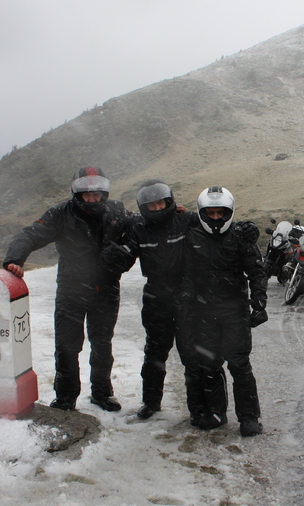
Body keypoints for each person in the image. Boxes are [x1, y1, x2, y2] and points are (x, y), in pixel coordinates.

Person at [103, 179, 259, 422]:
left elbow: (216, 222)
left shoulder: (187, 220)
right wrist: (112, 243)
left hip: (190, 297)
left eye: (161, 203)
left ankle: (199, 410)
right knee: (155, 353)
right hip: (156, 298)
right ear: (144, 207)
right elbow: (121, 262)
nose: (157, 208)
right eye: (151, 205)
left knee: (193, 356)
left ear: (169, 201)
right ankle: (151, 402)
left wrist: (248, 228)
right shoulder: (139, 229)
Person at [3, 166, 134, 412]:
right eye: (87, 194)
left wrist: (176, 216)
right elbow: (31, 234)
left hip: (106, 289)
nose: (92, 199)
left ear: (104, 192)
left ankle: (102, 393)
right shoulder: (60, 214)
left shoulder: (116, 210)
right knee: (66, 346)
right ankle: (65, 397)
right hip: (71, 290)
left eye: (96, 194)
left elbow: (144, 224)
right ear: (77, 193)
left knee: (102, 344)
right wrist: (15, 259)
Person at [178, 186, 268, 437]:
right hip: (203, 311)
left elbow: (256, 271)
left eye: (221, 213)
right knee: (209, 364)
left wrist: (259, 303)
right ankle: (217, 413)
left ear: (230, 212)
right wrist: (185, 303)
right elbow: (187, 275)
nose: (216, 217)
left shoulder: (241, 236)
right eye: (211, 213)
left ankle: (249, 417)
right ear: (202, 213)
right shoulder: (193, 237)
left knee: (239, 364)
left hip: (234, 309)